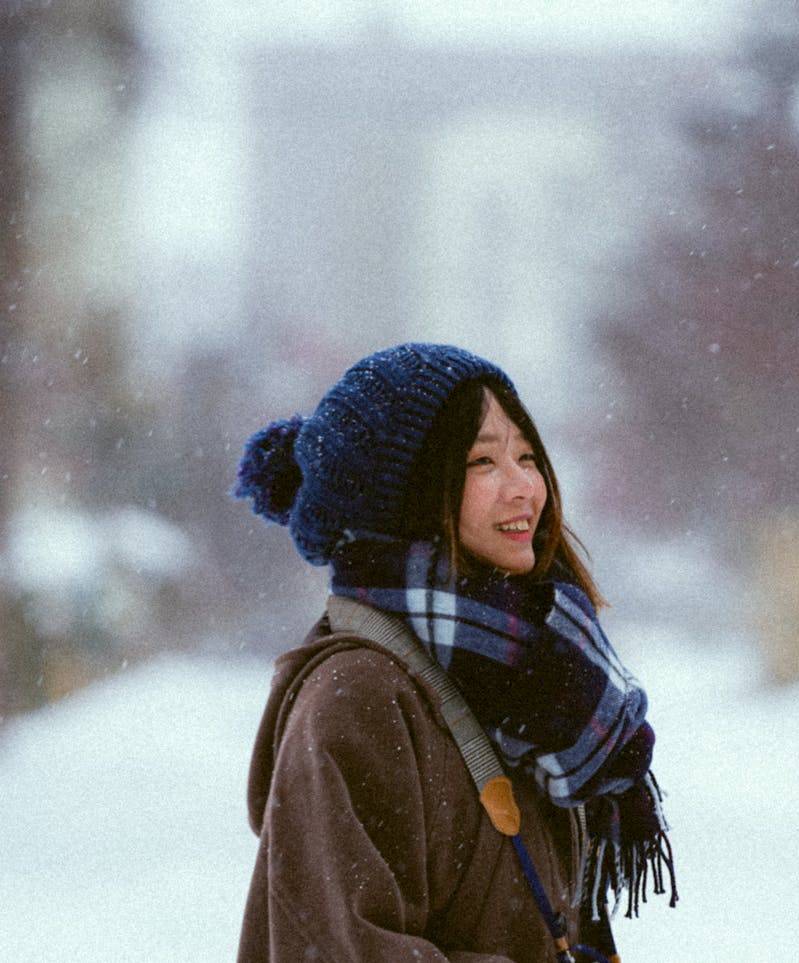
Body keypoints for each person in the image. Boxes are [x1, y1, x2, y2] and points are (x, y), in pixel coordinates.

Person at [232, 343, 674, 963]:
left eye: (526, 456)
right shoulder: (359, 693)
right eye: (483, 462)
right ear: (407, 495)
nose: (525, 488)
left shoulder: (523, 674)